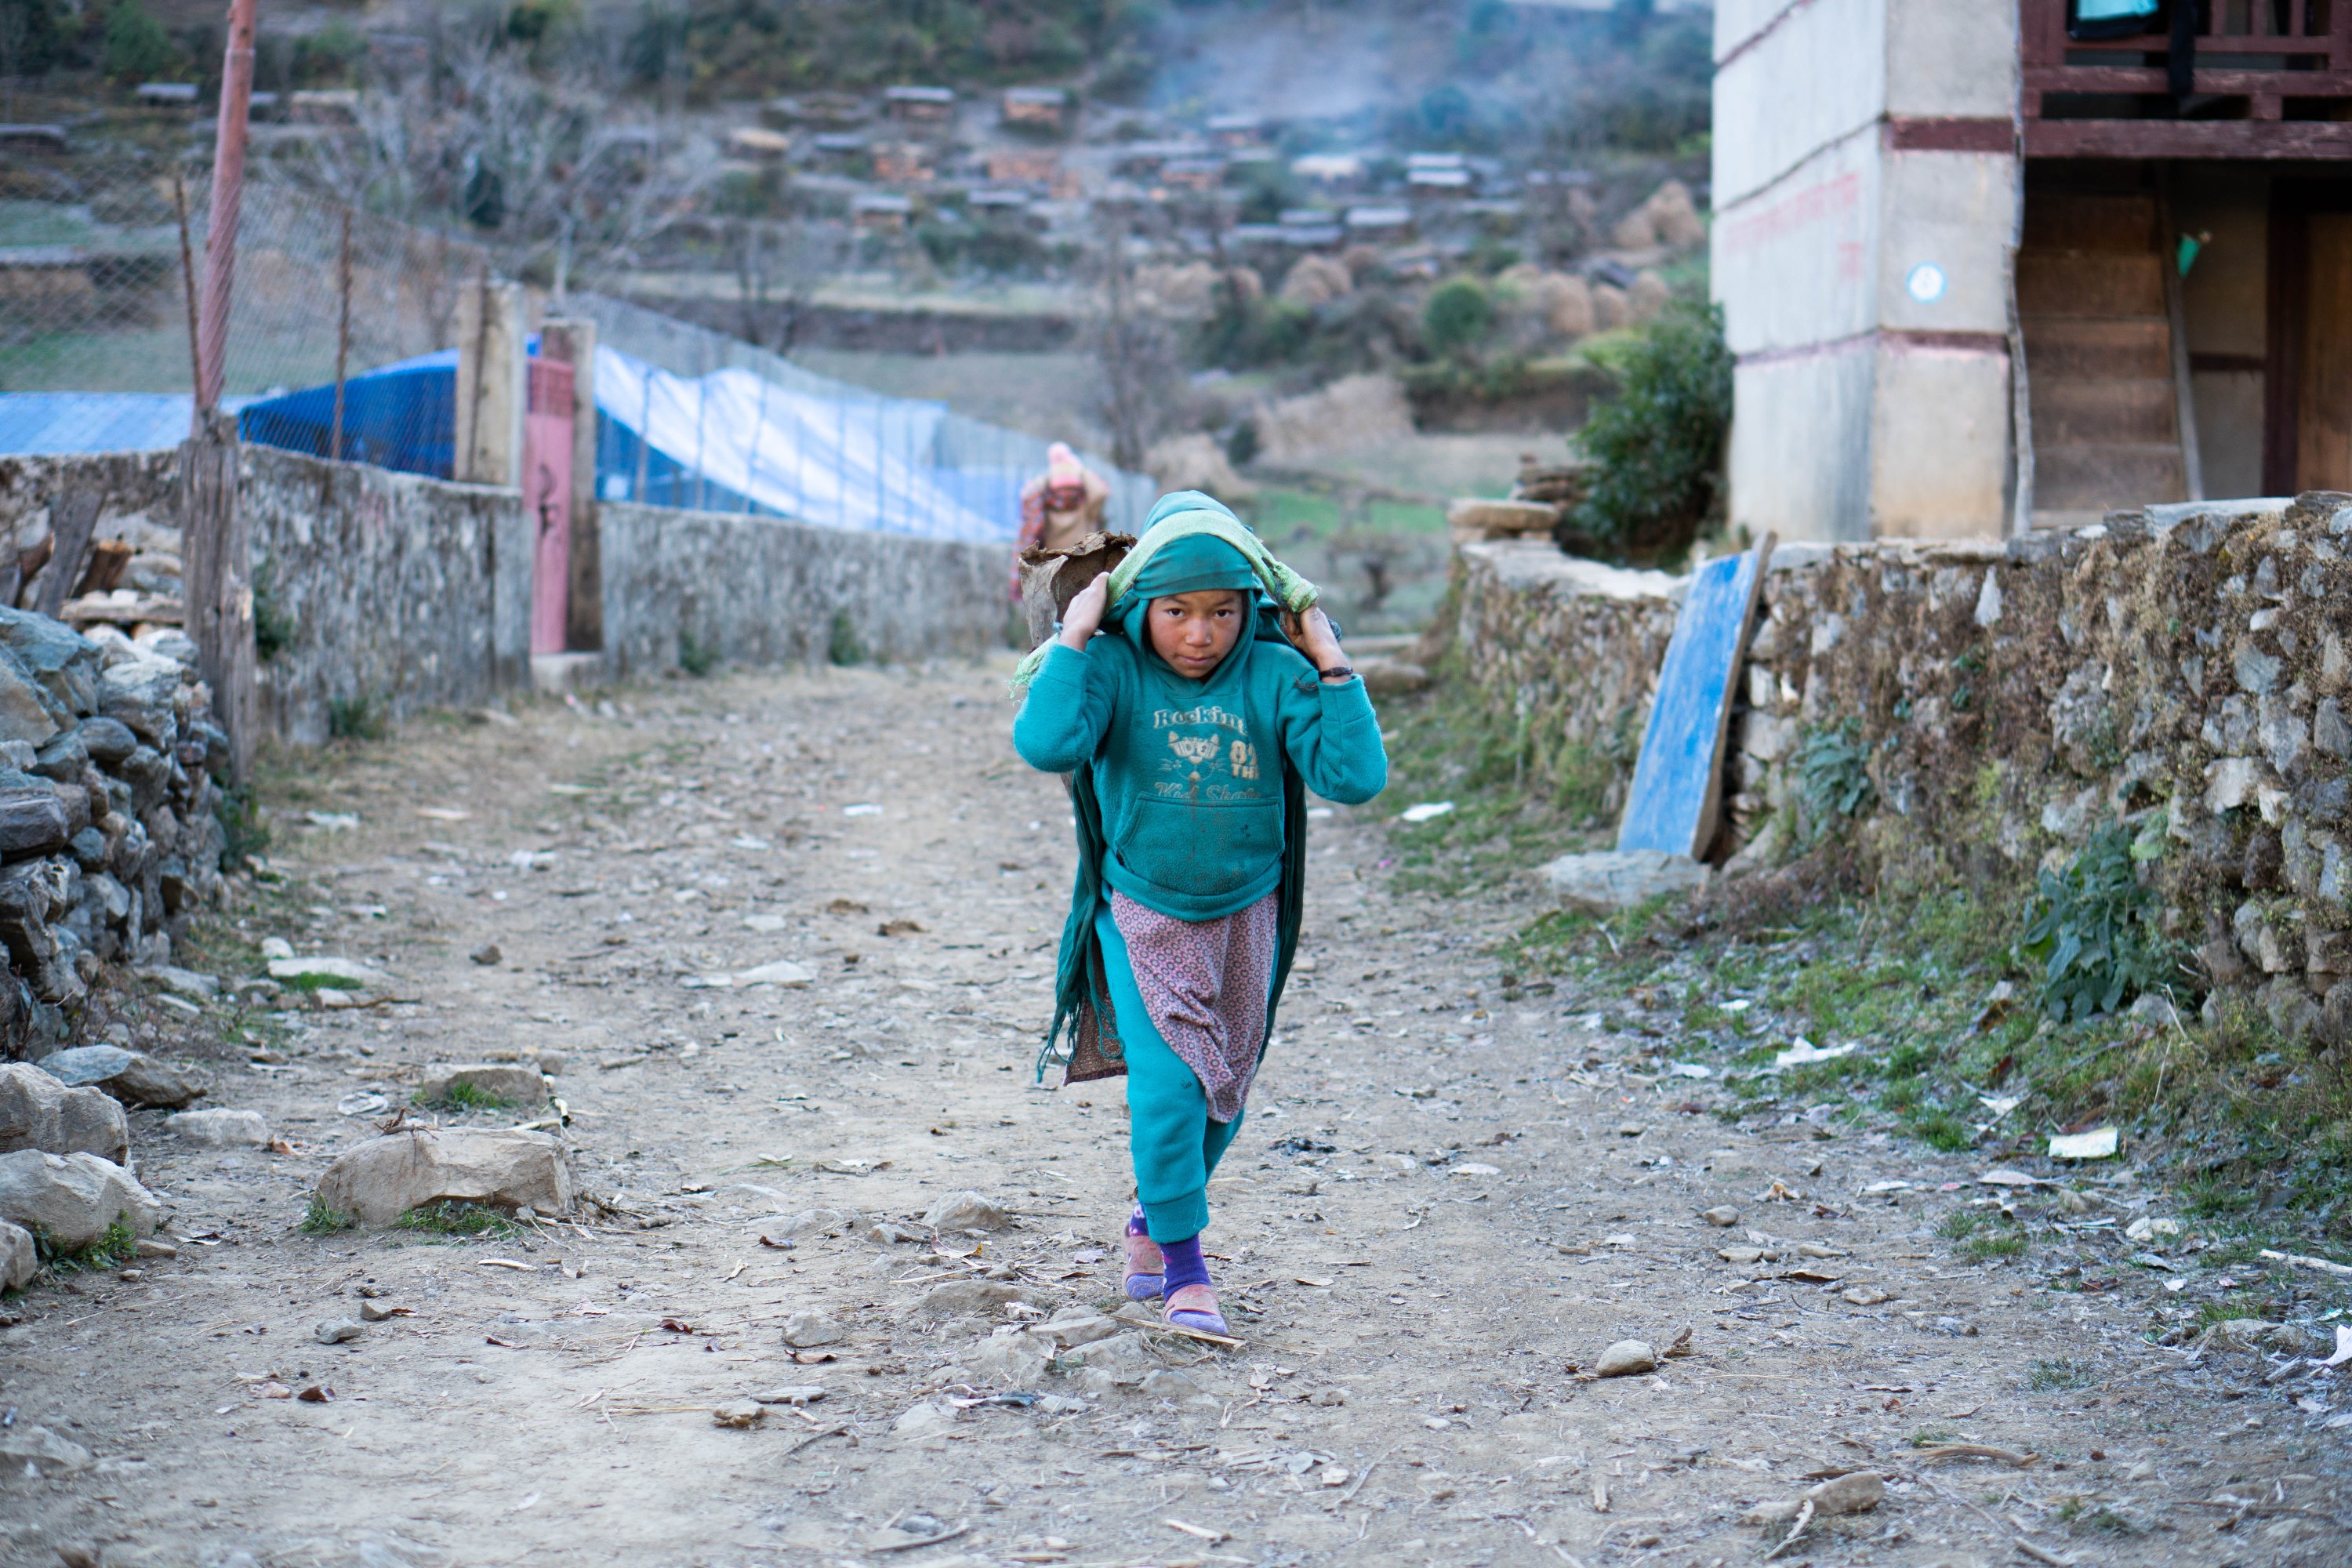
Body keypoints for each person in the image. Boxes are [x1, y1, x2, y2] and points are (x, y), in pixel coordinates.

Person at [1008, 492, 1387, 1336]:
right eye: (1176, 610)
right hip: (1144, 914)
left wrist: (1327, 656)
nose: (1199, 633)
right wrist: (1075, 636)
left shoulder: (1273, 672)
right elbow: (1046, 744)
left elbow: (1354, 776)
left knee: (1223, 1089)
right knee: (1174, 1083)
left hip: (1246, 914)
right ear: (1139, 604)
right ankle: (1186, 1270)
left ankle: (1153, 1217)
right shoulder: (1110, 667)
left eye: (1222, 611)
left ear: (1252, 608)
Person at [1012, 442, 1110, 595]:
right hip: (1085, 563)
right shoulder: (1085, 504)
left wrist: (1048, 477)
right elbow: (1101, 492)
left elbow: (1027, 494)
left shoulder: (1044, 501)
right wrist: (1080, 470)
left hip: (1055, 566)